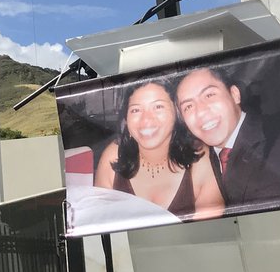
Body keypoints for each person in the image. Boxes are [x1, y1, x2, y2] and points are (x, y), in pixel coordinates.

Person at [174, 66, 280, 210]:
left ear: (234, 94)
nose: (200, 112)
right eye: (188, 107)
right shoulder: (201, 162)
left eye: (209, 95)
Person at [93, 79, 224, 220]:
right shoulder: (113, 156)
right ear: (126, 119)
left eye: (158, 107)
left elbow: (211, 231)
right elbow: (99, 223)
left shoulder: (199, 157)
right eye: (136, 110)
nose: (146, 120)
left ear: (176, 113)